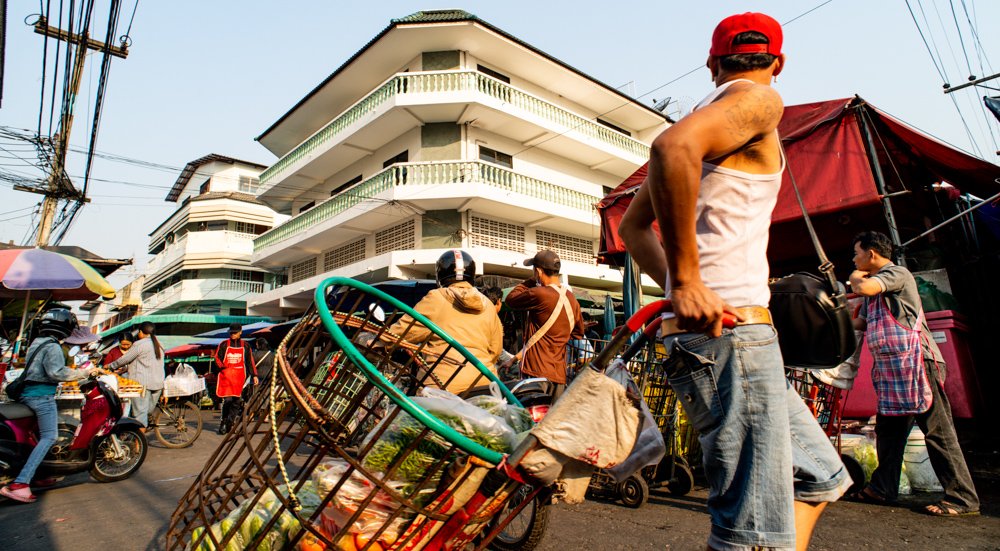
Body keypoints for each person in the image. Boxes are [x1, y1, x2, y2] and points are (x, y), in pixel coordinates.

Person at [618, 13, 851, 550]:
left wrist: (683, 288)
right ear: (779, 61)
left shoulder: (710, 113)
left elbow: (633, 228)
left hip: (716, 337)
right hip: (734, 340)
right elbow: (671, 149)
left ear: (711, 63)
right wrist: (690, 283)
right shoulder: (762, 101)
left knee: (820, 476)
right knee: (748, 531)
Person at [849, 231, 980, 516]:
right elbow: (859, 323)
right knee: (889, 431)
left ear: (871, 254)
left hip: (918, 362)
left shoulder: (896, 273)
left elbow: (864, 288)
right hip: (894, 369)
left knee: (937, 430)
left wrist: (855, 276)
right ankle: (882, 489)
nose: (854, 259)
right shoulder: (875, 290)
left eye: (857, 253)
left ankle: (962, 498)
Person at [0, 309, 101, 504]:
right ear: (64, 327)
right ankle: (20, 484)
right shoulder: (53, 347)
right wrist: (84, 373)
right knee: (50, 436)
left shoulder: (37, 343)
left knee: (36, 435)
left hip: (27, 395)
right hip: (41, 397)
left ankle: (39, 475)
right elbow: (56, 373)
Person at [389, 250, 503, 393]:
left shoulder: (436, 298)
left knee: (408, 413)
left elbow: (400, 332)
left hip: (442, 387)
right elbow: (496, 350)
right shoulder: (487, 305)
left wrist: (378, 342)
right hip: (485, 383)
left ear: (440, 275)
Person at [504, 250, 585, 396]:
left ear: (539, 271)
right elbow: (578, 333)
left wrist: (530, 280)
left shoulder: (540, 293)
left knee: (532, 417)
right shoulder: (572, 299)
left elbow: (511, 299)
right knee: (552, 417)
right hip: (559, 375)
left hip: (536, 372)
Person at [106, 321, 166, 432]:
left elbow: (124, 359)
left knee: (140, 415)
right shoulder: (160, 344)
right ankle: (139, 434)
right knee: (146, 412)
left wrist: (109, 366)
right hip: (158, 384)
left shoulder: (139, 344)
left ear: (141, 332)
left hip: (142, 384)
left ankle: (139, 445)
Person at [213, 323, 258, 434]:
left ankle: (230, 422)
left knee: (237, 401)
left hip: (239, 378)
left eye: (235, 332)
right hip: (227, 377)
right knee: (227, 400)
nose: (232, 334)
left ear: (240, 332)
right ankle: (223, 421)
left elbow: (249, 361)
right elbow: (217, 358)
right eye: (231, 333)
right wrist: (223, 368)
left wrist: (254, 375)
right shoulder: (223, 344)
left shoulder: (246, 345)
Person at [481, 285, 519, 380]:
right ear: (498, 301)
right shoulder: (493, 318)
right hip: (487, 364)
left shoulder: (478, 315)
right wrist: (512, 360)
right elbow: (497, 351)